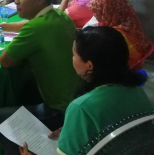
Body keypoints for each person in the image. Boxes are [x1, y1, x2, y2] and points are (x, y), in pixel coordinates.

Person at [18, 27, 153, 155]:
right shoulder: (138, 91)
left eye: (74, 55)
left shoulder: (81, 107)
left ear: (89, 65)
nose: (72, 59)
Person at [0, 0, 78, 155]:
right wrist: (3, 26)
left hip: (59, 110)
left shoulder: (36, 28)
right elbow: (30, 24)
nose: (16, 1)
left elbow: (5, 61)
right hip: (75, 102)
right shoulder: (60, 15)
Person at [87, 0, 152, 70]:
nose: (94, 15)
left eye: (97, 11)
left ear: (107, 10)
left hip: (122, 71)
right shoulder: (130, 24)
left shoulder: (115, 36)